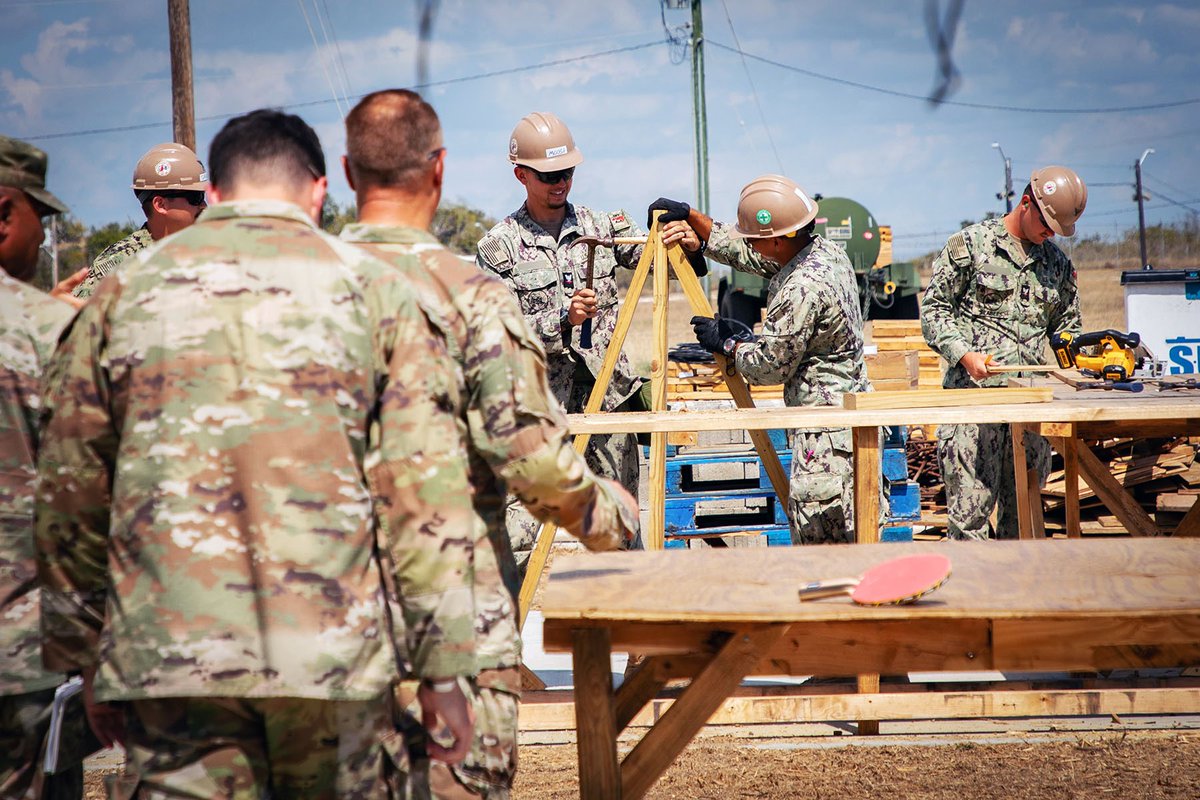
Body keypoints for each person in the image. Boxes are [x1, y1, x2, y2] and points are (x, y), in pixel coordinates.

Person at [36, 109, 478, 798]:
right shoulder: (378, 293)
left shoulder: (121, 295)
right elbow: (422, 491)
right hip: (335, 663)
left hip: (171, 661)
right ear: (319, 191)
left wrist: (85, 653)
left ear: (214, 196)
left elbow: (70, 490)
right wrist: (443, 664)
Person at [340, 89, 639, 800]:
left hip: (605, 390)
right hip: (535, 398)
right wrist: (553, 312)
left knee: (621, 529)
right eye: (548, 176)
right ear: (520, 177)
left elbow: (639, 262)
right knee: (517, 525)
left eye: (567, 173)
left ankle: (630, 659)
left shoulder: (599, 224)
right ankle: (517, 649)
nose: (560, 186)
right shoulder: (496, 248)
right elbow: (497, 322)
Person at [649, 176, 873, 544]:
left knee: (825, 553)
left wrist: (728, 344)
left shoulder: (802, 288)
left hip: (825, 439)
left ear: (778, 238)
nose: (751, 244)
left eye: (756, 237)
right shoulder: (824, 254)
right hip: (850, 426)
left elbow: (769, 365)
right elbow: (753, 254)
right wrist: (694, 220)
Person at [921, 166, 1086, 540]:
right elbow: (934, 312)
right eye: (1046, 224)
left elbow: (1067, 331)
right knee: (969, 527)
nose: (1049, 235)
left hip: (1028, 417)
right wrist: (965, 355)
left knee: (1023, 528)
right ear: (1025, 203)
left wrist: (1080, 358)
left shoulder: (1056, 265)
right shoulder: (971, 247)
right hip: (972, 412)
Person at [0, 134, 87, 799]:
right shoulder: (48, 329)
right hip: (22, 656)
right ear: (7, 212)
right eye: (42, 218)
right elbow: (87, 498)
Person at [73, 141, 208, 299]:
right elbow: (77, 317)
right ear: (160, 204)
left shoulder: (215, 248)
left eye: (203, 196)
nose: (204, 205)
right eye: (196, 197)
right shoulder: (118, 266)